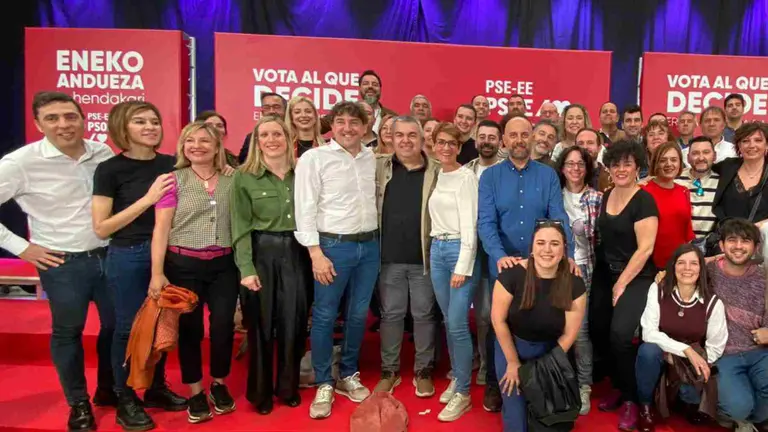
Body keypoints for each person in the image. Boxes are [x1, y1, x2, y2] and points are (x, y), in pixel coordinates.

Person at [0, 91, 115, 431]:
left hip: (110, 256)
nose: (63, 124)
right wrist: (20, 247)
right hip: (61, 263)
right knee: (68, 331)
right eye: (52, 118)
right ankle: (78, 403)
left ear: (82, 118)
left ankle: (110, 390)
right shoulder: (20, 163)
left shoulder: (102, 152)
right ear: (38, 124)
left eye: (70, 116)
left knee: (117, 327)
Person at [92, 101, 186, 430]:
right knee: (128, 329)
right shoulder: (109, 169)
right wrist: (147, 199)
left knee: (162, 326)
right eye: (140, 121)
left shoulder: (172, 163)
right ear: (122, 127)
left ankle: (156, 388)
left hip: (169, 253)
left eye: (154, 121)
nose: (150, 126)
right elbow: (102, 227)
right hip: (128, 254)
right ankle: (125, 397)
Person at [478, 114, 575, 413]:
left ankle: (542, 380)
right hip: (505, 266)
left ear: (533, 137)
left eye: (525, 134)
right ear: (504, 140)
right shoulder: (490, 177)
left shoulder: (547, 176)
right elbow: (486, 222)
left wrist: (566, 253)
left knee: (538, 321)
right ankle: (496, 383)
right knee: (496, 322)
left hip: (541, 265)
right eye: (513, 135)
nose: (519, 140)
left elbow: (557, 217)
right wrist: (500, 257)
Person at [294, 101, 380, 420]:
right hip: (332, 247)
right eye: (340, 122)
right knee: (326, 315)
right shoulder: (314, 159)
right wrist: (315, 253)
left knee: (358, 315)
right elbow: (304, 208)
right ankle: (323, 381)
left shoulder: (372, 158)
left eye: (353, 122)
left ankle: (348, 373)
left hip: (369, 246)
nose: (347, 128)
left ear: (364, 126)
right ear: (332, 125)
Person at [150, 122, 239, 424]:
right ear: (182, 147)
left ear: (217, 147)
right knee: (190, 330)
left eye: (205, 140)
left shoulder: (233, 180)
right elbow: (161, 229)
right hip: (183, 265)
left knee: (224, 326)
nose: (197, 145)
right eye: (190, 140)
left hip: (224, 266)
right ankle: (196, 390)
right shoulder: (172, 180)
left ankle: (219, 383)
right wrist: (156, 273)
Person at [231, 116, 311, 414]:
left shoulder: (302, 171)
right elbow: (239, 226)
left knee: (294, 323)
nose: (271, 139)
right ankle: (260, 393)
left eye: (277, 133)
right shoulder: (244, 176)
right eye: (264, 134)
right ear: (257, 141)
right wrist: (246, 269)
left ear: (288, 138)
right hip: (260, 250)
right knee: (261, 325)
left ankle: (287, 387)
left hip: (298, 251)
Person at [491, 221, 587, 432]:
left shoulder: (575, 284)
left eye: (554, 244)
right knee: (517, 425)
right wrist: (513, 362)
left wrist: (541, 371)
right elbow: (498, 320)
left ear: (564, 250)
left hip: (551, 354)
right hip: (511, 348)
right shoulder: (511, 275)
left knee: (548, 420)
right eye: (541, 243)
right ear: (532, 248)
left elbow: (570, 334)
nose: (547, 249)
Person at [591, 140, 659, 431]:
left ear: (637, 167)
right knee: (598, 328)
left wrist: (621, 284)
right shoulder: (606, 195)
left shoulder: (644, 200)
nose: (621, 169)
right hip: (606, 274)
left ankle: (633, 399)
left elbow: (645, 249)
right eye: (616, 163)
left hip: (637, 276)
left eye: (627, 164)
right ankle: (619, 385)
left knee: (621, 334)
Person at [373, 116, 440, 397]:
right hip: (388, 258)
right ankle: (389, 371)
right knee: (391, 315)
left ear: (422, 140)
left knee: (424, 315)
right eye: (399, 135)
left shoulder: (436, 170)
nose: (405, 141)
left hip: (423, 257)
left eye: (412, 135)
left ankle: (423, 370)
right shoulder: (378, 167)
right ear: (391, 137)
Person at [635, 244, 727, 432]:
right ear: (673, 267)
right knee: (647, 351)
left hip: (690, 363)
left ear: (701, 268)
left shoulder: (712, 302)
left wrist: (686, 360)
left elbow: (716, 347)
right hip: (663, 354)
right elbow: (649, 332)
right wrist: (683, 350)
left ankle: (682, 399)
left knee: (691, 397)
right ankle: (645, 407)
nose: (687, 268)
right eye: (681, 263)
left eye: (693, 263)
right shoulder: (658, 289)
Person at [428, 121, 479, 421]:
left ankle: (463, 392)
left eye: (452, 143)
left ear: (460, 147)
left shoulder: (466, 178)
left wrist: (463, 265)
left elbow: (470, 226)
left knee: (458, 323)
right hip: (437, 250)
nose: (445, 147)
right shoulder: (436, 174)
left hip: (459, 250)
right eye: (440, 142)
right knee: (449, 320)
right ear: (433, 145)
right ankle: (458, 377)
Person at [709, 219, 768, 432]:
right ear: (722, 245)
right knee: (739, 407)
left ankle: (753, 417)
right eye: (732, 240)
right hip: (725, 355)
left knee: (759, 410)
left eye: (746, 240)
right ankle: (736, 413)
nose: (739, 246)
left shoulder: (764, 277)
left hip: (760, 352)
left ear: (756, 247)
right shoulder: (707, 272)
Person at [556, 146, 603, 414]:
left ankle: (584, 386)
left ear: (587, 169)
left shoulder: (597, 198)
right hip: (556, 271)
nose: (575, 169)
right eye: (570, 164)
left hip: (585, 271)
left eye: (580, 164)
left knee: (581, 332)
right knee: (555, 328)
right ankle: (559, 381)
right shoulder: (553, 198)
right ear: (562, 168)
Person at [642, 141, 695, 269]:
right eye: (663, 160)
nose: (669, 164)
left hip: (678, 264)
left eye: (674, 160)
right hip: (650, 265)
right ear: (655, 163)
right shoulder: (643, 191)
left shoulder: (684, 191)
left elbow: (686, 232)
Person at [713, 122, 768, 229]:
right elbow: (702, 171)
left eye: (758, 140)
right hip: (728, 239)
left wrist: (760, 226)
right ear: (739, 146)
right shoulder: (727, 166)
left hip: (763, 240)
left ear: (766, 145)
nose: (752, 145)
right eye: (745, 141)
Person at [239, 92, 287, 163]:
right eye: (267, 108)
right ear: (262, 112)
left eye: (276, 107)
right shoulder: (252, 137)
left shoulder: (295, 135)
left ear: (285, 110)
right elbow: (243, 163)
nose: (272, 111)